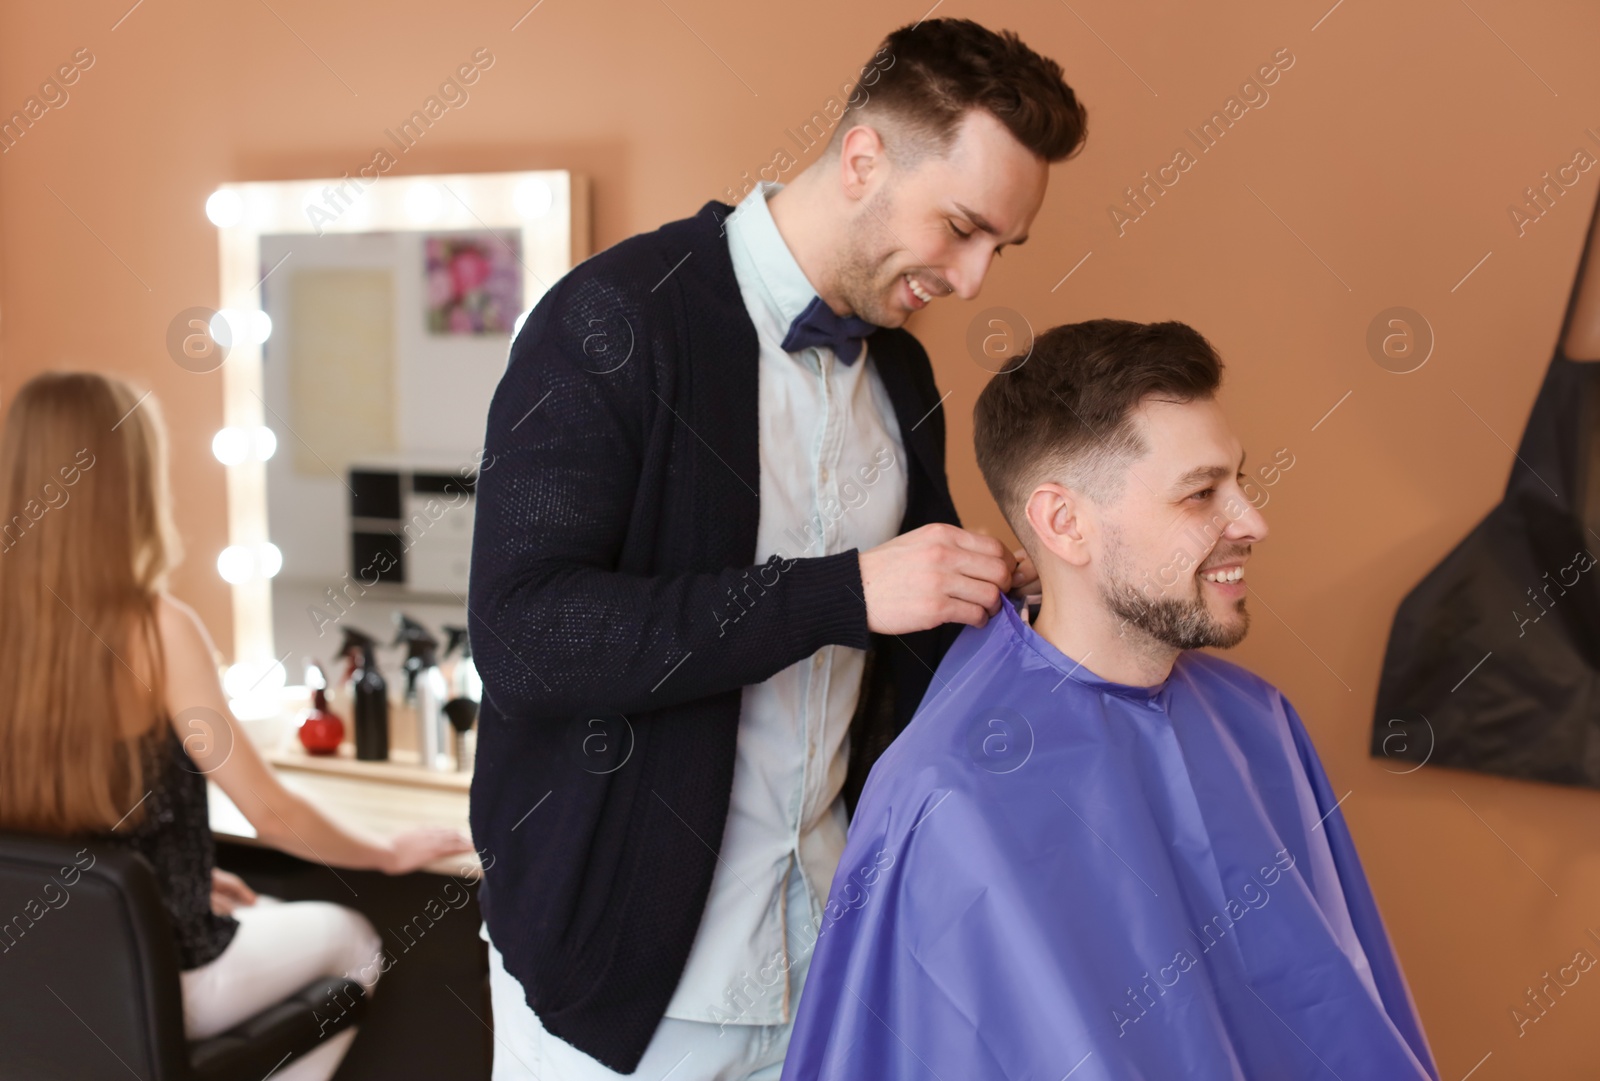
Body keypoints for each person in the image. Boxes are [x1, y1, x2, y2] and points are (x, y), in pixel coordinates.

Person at [467, 17, 1087, 1079]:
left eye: (1000, 247)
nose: (976, 277)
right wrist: (842, 591)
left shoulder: (897, 375)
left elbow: (896, 645)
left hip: (827, 960)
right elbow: (527, 631)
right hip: (624, 993)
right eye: (960, 228)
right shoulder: (613, 318)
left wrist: (989, 594)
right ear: (862, 159)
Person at [779, 320, 1440, 1080]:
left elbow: (1344, 1008)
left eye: (1241, 482)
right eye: (1201, 494)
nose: (1253, 522)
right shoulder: (947, 792)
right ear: (1064, 523)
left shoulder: (1258, 720)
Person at [0, 372, 474, 1081]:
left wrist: (181, 874)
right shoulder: (157, 629)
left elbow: (56, 826)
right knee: (353, 938)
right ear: (129, 484)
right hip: (162, 981)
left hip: (36, 983)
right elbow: (272, 812)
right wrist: (388, 853)